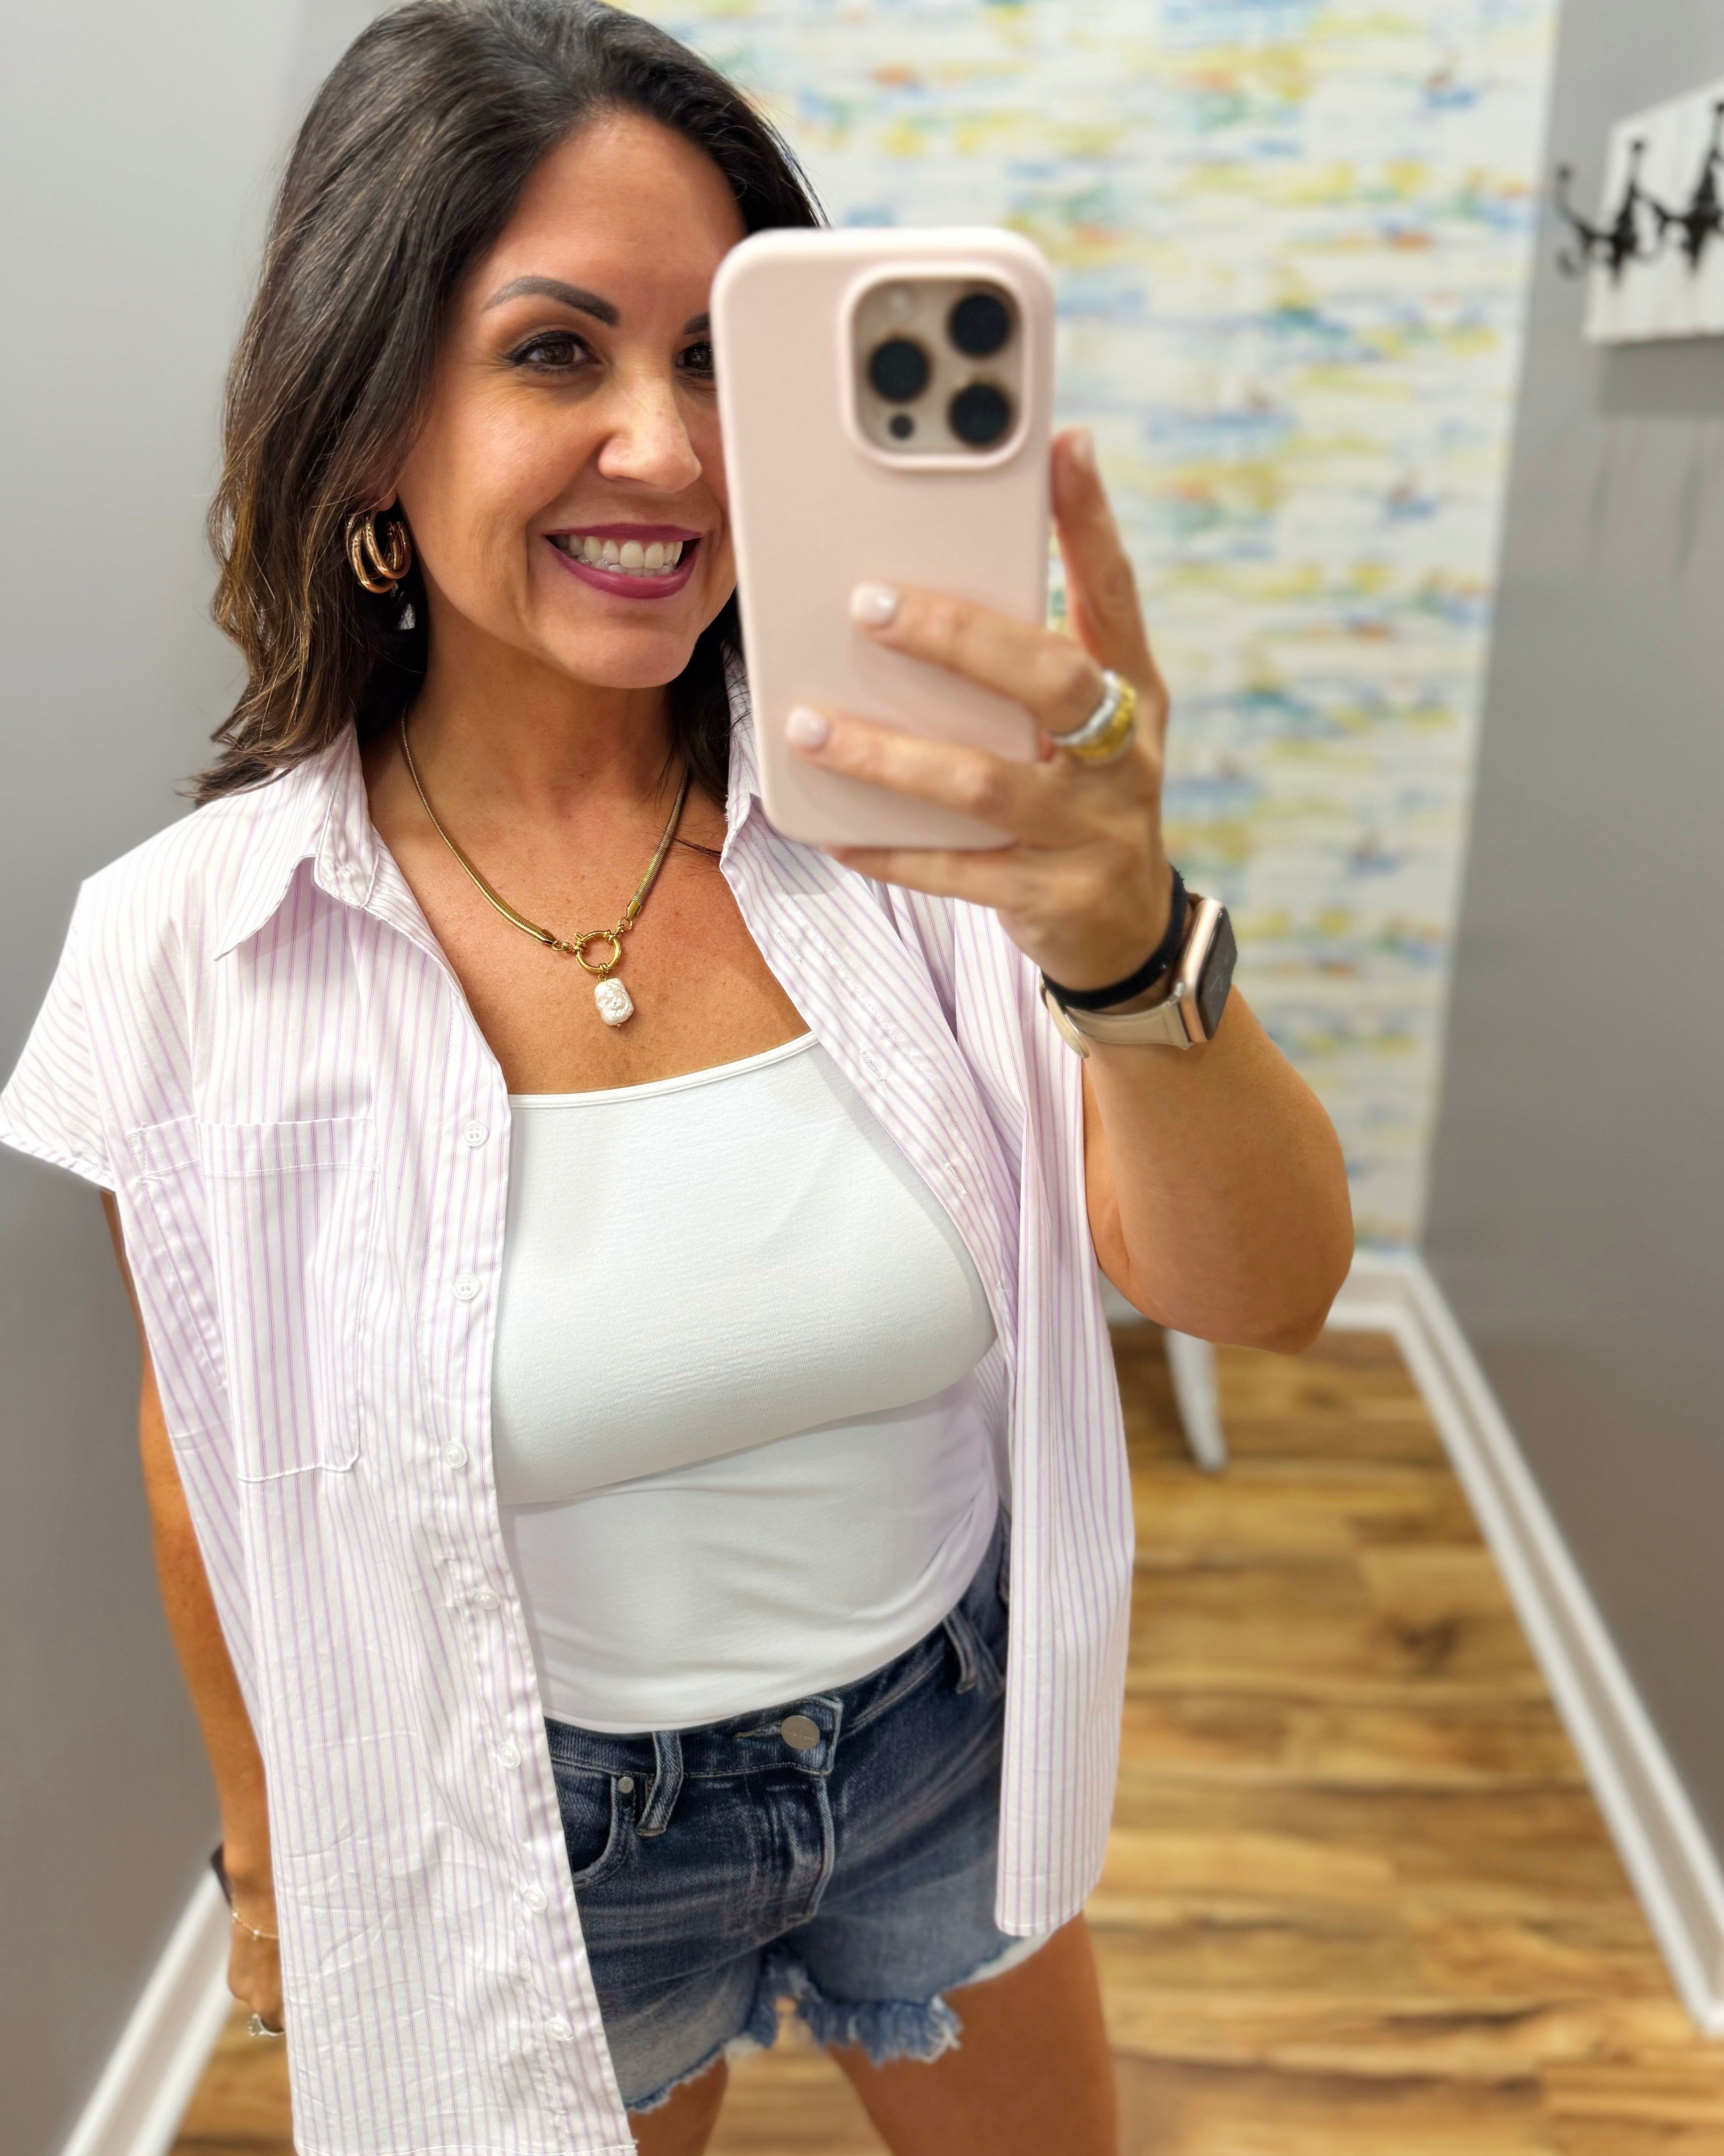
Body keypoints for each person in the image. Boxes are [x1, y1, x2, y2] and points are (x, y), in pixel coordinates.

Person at [0, 4, 1352, 2151]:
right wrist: (263, 1852)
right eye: (560, 354)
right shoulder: (200, 957)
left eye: (722, 357)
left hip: (944, 1737)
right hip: (540, 1826)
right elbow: (203, 1434)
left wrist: (1123, 934)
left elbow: (1265, 1293)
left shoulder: (926, 851)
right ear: (371, 431)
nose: (672, 446)